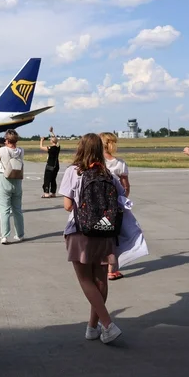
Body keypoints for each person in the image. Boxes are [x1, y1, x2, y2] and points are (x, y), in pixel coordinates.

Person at [58, 133, 124, 345]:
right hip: (105, 231)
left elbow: (68, 205)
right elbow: (122, 199)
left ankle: (107, 324)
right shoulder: (109, 174)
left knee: (85, 280)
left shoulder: (73, 171)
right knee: (100, 279)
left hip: (80, 230)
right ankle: (92, 327)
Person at [100, 132, 130, 281]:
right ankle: (112, 269)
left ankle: (99, 264)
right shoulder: (120, 164)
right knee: (112, 237)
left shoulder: (96, 163)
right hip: (114, 207)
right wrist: (122, 199)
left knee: (99, 235)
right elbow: (126, 187)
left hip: (98, 206)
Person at [0, 129, 25, 245]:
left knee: (4, 209)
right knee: (17, 209)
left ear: (7, 140)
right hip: (17, 179)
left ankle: (5, 236)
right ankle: (20, 234)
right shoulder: (21, 150)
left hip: (4, 178)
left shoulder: (3, 150)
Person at [39, 127, 60, 198]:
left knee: (47, 179)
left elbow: (41, 147)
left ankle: (46, 193)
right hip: (56, 165)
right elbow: (56, 139)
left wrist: (41, 140)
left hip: (50, 165)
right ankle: (53, 192)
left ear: (52, 141)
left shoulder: (50, 148)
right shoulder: (58, 147)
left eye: (51, 139)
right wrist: (52, 132)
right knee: (53, 179)